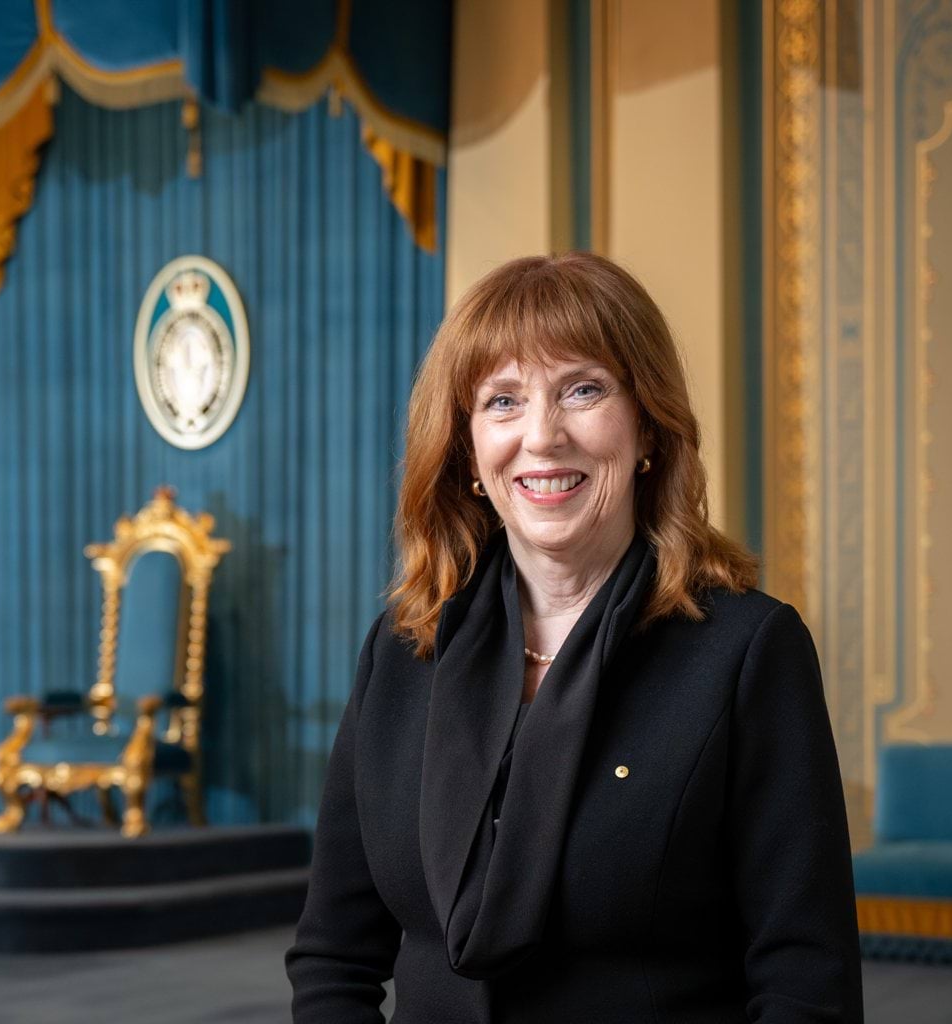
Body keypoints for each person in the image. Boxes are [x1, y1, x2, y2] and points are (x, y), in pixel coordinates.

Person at [287, 252, 861, 1022]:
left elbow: (805, 982)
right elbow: (332, 957)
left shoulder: (748, 652)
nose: (542, 436)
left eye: (582, 390)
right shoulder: (401, 650)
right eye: (503, 401)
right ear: (467, 452)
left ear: (647, 425)